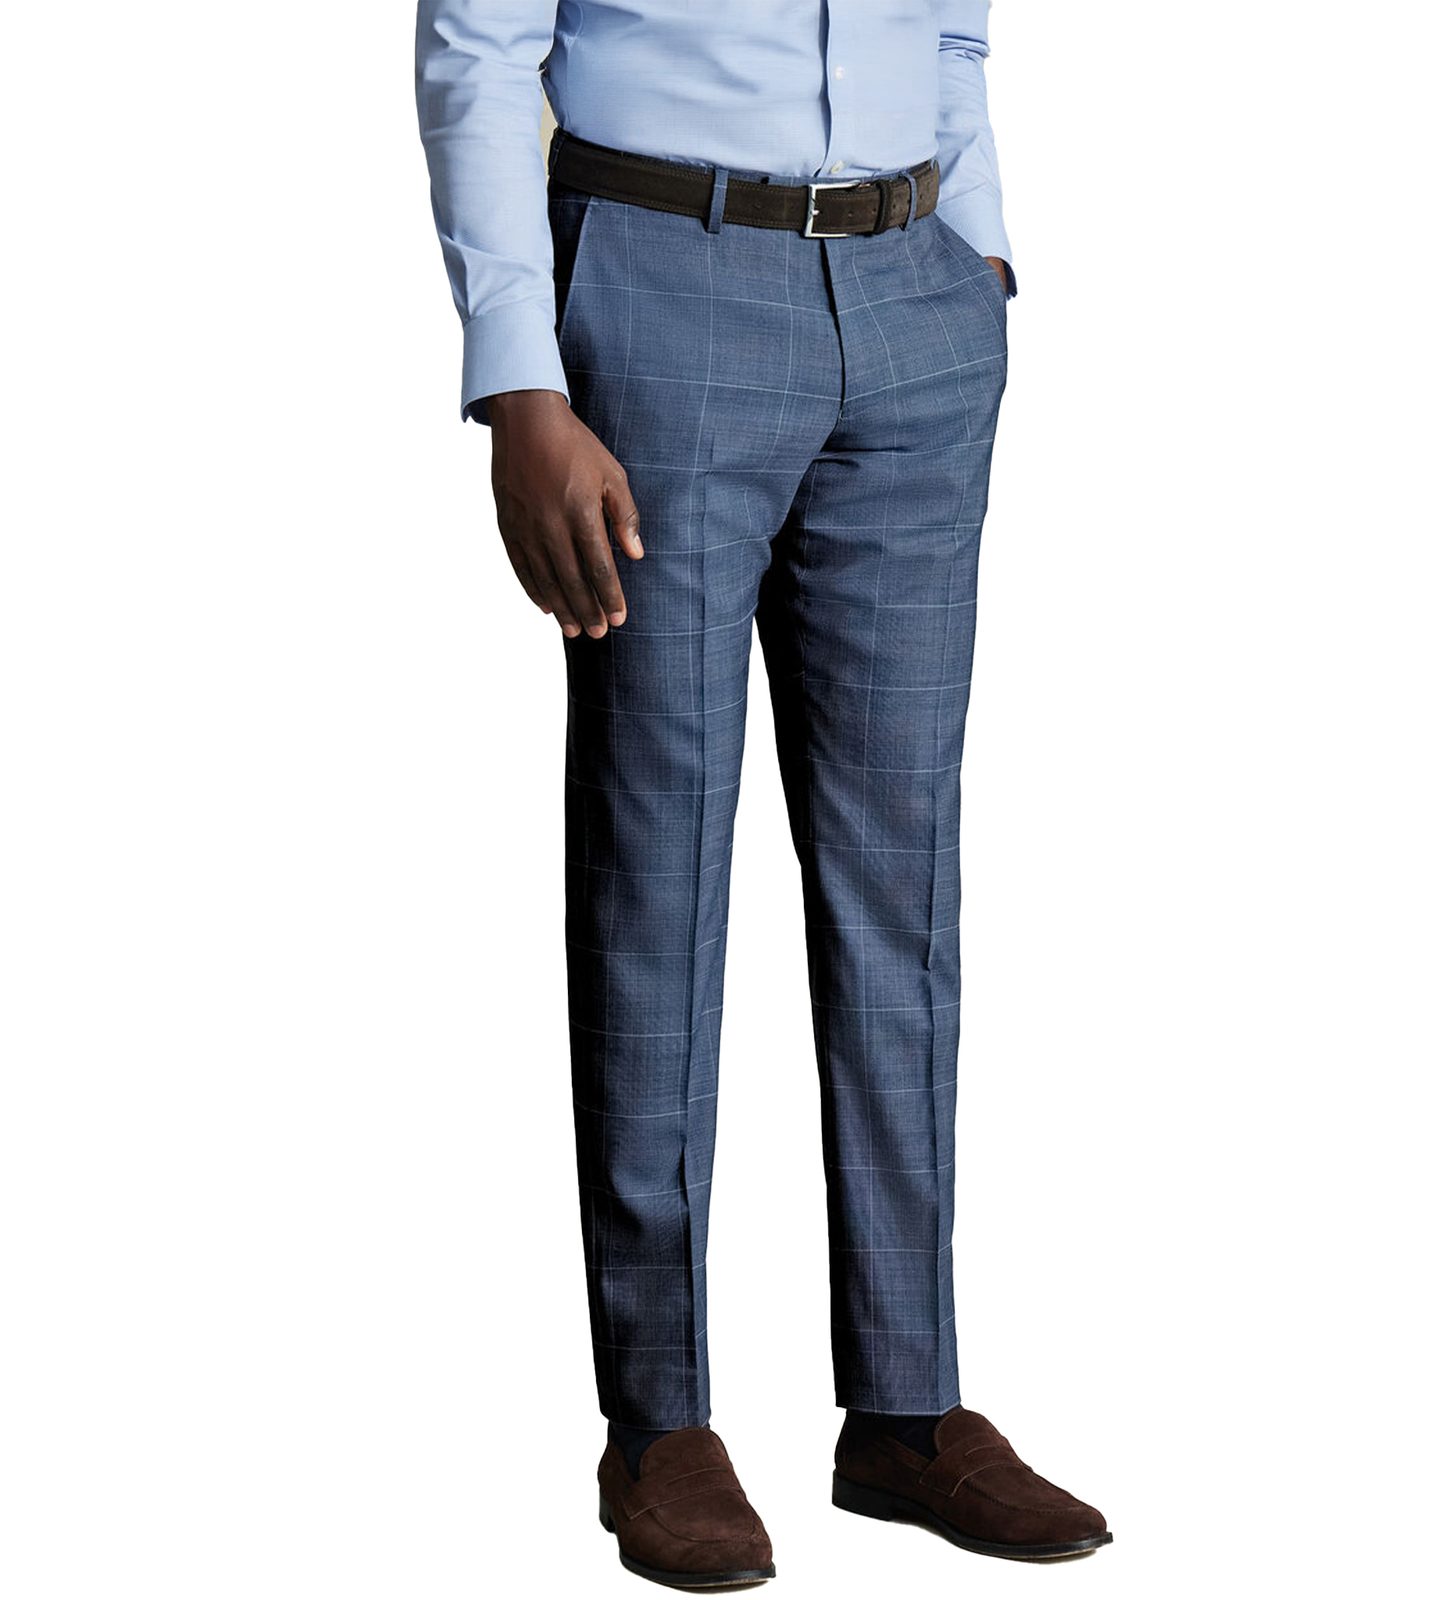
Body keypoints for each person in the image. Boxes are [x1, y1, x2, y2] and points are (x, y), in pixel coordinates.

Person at [415, 1, 1111, 1584]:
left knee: (903, 876)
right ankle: (658, 1419)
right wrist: (519, 380)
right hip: (662, 276)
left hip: (916, 296)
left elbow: (953, 40)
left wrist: (983, 255)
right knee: (657, 866)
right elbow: (480, 49)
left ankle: (907, 1409)